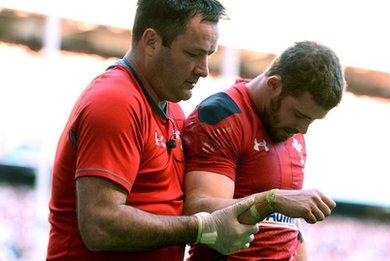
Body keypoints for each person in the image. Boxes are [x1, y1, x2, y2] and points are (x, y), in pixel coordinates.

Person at [46, 1, 259, 260]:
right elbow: (99, 225)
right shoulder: (116, 101)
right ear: (151, 41)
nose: (204, 69)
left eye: (208, 55)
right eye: (193, 54)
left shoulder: (172, 109)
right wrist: (202, 228)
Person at [182, 41, 346, 260]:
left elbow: (288, 229)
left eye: (312, 120)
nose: (303, 129)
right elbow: (198, 210)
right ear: (274, 85)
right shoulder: (222, 116)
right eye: (299, 115)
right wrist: (272, 200)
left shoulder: (288, 127)